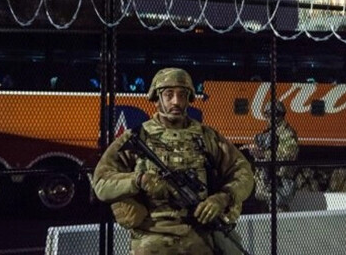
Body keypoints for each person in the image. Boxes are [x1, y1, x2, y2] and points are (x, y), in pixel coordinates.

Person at [93, 67, 254, 255]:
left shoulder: (207, 137)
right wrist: (138, 180)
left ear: (189, 98)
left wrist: (222, 198)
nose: (176, 101)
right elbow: (101, 184)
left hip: (200, 236)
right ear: (157, 98)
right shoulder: (137, 138)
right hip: (152, 238)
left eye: (182, 95)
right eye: (169, 95)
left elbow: (243, 173)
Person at [244, 100, 299, 212]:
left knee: (278, 212)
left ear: (277, 115)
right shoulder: (270, 132)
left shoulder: (287, 134)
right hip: (264, 181)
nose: (266, 118)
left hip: (277, 181)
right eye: (266, 115)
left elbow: (288, 155)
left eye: (268, 115)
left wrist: (264, 154)